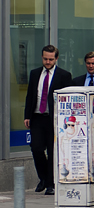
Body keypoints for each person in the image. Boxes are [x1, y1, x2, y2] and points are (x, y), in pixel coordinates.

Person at [22, 45, 73, 194]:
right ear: (42, 57)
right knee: (36, 148)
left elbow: (67, 99)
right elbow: (30, 95)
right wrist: (27, 115)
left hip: (54, 119)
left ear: (56, 58)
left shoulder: (64, 75)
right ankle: (43, 178)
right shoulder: (35, 73)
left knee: (52, 151)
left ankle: (50, 184)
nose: (48, 62)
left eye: (51, 59)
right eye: (45, 59)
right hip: (37, 116)